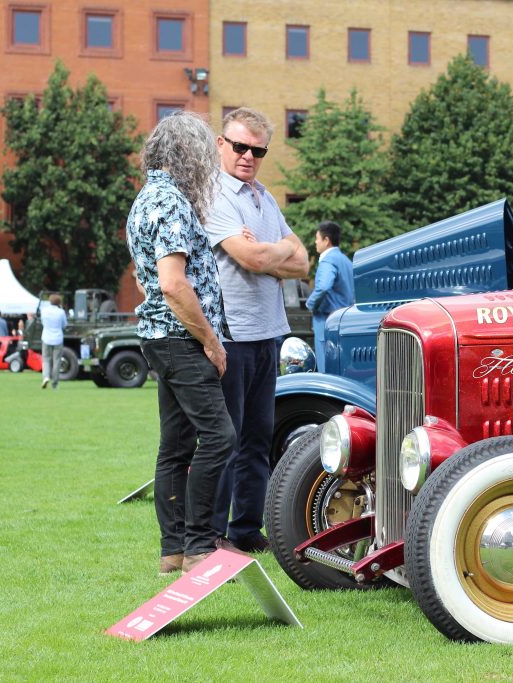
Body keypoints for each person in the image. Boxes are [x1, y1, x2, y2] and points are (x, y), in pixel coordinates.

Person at [126, 111, 237, 575]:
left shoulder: (144, 199)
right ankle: (197, 547)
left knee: (175, 445)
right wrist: (211, 341)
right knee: (219, 436)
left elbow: (143, 277)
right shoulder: (171, 202)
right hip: (180, 338)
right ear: (189, 155)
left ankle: (172, 552)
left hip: (158, 338)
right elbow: (173, 284)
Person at [204, 107, 308, 553]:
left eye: (258, 150)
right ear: (221, 144)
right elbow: (253, 261)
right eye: (240, 146)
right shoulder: (213, 194)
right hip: (230, 335)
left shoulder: (263, 195)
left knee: (258, 438)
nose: (248, 156)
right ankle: (209, 536)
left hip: (268, 333)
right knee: (225, 440)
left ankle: (245, 530)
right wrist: (275, 254)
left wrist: (275, 250)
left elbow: (302, 262)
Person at [306, 221, 354, 373]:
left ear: (326, 241)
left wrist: (311, 304)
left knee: (326, 367)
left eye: (317, 238)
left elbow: (323, 286)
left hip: (326, 320)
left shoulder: (328, 259)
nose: (315, 242)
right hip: (345, 319)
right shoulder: (346, 261)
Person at [39, 295, 68, 389]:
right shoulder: (61, 312)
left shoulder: (44, 311)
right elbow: (64, 325)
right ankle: (55, 383)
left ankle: (46, 377)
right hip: (58, 338)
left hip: (46, 337)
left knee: (46, 360)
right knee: (57, 361)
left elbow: (42, 322)